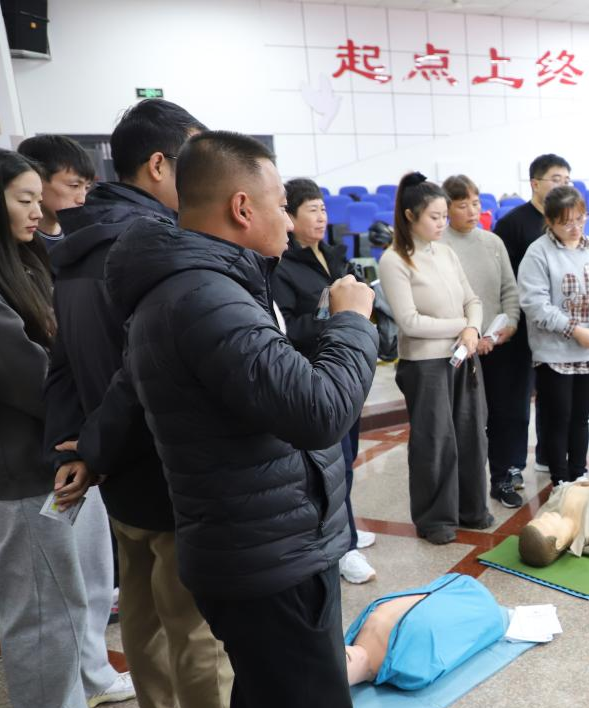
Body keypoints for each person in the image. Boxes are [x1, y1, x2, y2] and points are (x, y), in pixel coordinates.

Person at [101, 131, 379, 708]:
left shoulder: (198, 287)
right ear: (243, 207)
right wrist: (351, 322)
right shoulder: (206, 297)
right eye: (282, 204)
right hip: (268, 554)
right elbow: (320, 411)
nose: (289, 218)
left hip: (261, 540)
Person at [44, 98, 213, 708]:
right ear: (160, 165)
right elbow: (148, 368)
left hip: (116, 468)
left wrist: (81, 448)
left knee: (144, 619)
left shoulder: (78, 240)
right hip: (169, 462)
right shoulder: (154, 243)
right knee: (196, 630)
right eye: (196, 162)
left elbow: (64, 361)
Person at [0, 149, 95, 708]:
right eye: (24, 200)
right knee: (42, 618)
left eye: (39, 198)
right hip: (21, 478)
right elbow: (33, 378)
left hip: (45, 465)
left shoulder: (28, 262)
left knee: (63, 609)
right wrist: (91, 420)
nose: (39, 211)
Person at [273, 177, 377, 583]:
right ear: (291, 216)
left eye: (323, 209)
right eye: (311, 210)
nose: (321, 217)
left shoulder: (334, 255)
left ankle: (346, 526)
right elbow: (286, 326)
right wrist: (335, 317)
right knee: (332, 464)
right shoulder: (284, 266)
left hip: (345, 368)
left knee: (347, 459)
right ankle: (343, 547)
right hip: (315, 371)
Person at [379, 173, 490, 546]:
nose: (443, 224)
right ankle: (435, 518)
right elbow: (410, 322)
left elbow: (472, 299)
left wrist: (473, 328)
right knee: (435, 440)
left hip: (462, 354)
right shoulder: (394, 260)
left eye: (445, 216)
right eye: (435, 217)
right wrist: (464, 326)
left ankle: (471, 508)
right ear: (410, 215)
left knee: (470, 434)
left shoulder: (445, 252)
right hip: (425, 364)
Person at [517, 186, 589, 486]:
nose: (575, 228)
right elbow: (535, 303)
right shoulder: (538, 252)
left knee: (581, 416)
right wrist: (574, 330)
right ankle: (560, 479)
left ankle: (578, 474)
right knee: (558, 416)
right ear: (550, 222)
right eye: (566, 223)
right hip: (554, 351)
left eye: (580, 219)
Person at [441, 174, 523, 508]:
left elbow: (509, 290)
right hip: (460, 347)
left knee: (504, 415)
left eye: (476, 203)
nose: (473, 211)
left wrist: (510, 324)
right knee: (465, 422)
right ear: (447, 208)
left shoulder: (493, 242)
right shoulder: (438, 246)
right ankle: (464, 488)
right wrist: (472, 335)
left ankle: (501, 479)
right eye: (463, 205)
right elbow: (444, 300)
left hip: (498, 342)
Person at [493, 154, 571, 480]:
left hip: (557, 326)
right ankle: (511, 466)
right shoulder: (512, 224)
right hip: (522, 325)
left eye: (567, 180)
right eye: (556, 179)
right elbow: (506, 279)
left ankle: (549, 456)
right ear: (535, 183)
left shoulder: (566, 225)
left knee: (555, 397)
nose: (563, 185)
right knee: (516, 401)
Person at [344, 574, 505, 689]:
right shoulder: (408, 671)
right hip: (474, 601)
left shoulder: (355, 633)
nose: (340, 659)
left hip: (462, 590)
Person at [16, 134, 96, 253]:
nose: (82, 199)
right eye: (74, 186)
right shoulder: (16, 242)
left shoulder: (84, 234)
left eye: (87, 187)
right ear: (36, 181)